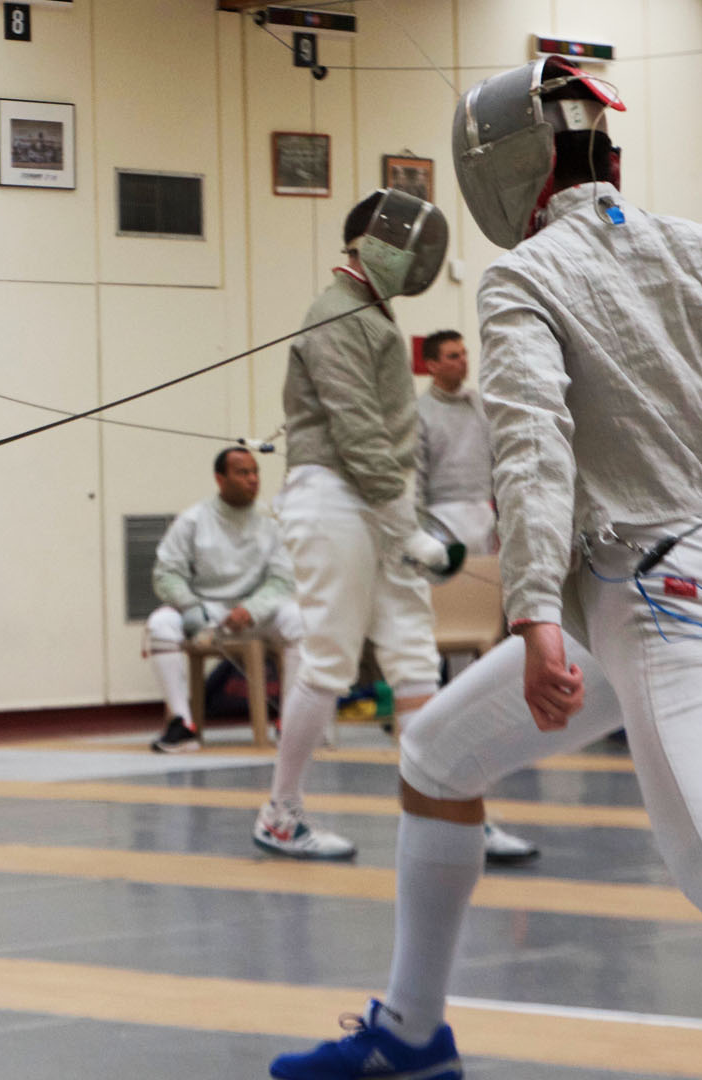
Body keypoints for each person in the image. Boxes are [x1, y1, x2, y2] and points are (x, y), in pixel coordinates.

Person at [270, 58, 702, 1080]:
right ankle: (413, 1038)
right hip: (679, 591)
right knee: (434, 758)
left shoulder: (523, 274)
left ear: (506, 171)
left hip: (653, 603)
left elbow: (533, 444)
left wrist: (529, 613)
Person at [259, 192, 535, 866]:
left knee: (414, 660)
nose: (416, 257)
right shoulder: (335, 311)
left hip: (376, 507)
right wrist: (405, 527)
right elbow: (353, 428)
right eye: (405, 243)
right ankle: (280, 813)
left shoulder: (371, 315)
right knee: (328, 658)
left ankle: (454, 811)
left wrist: (400, 522)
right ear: (369, 242)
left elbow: (375, 438)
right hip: (333, 501)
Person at [143, 446, 302, 753]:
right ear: (220, 478)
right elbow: (166, 573)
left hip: (258, 613)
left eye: (255, 472)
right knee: (160, 623)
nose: (252, 479)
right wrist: (191, 607)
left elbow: (283, 579)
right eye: (243, 473)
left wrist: (251, 609)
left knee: (299, 619)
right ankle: (182, 725)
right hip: (207, 613)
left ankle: (292, 723)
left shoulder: (272, 521)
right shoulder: (193, 520)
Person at [414, 330, 498, 554]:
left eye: (464, 354)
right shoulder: (419, 412)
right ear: (432, 365)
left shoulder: (479, 405)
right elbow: (415, 476)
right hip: (441, 519)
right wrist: (420, 531)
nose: (463, 361)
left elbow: (497, 461)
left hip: (484, 518)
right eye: (453, 356)